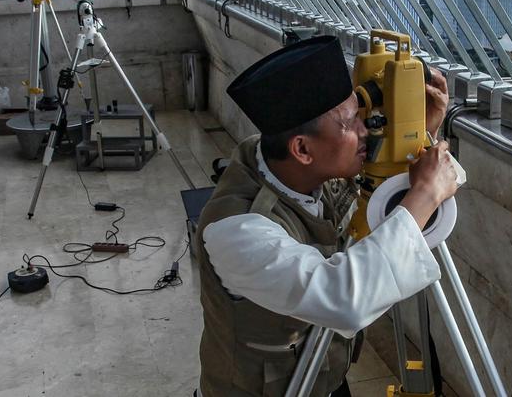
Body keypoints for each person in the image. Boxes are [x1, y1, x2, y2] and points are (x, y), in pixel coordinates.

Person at [193, 35, 458, 397]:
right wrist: (425, 194)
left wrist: (417, 134)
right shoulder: (238, 230)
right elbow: (344, 299)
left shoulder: (292, 166)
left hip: (321, 374)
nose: (366, 129)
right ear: (302, 149)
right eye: (351, 123)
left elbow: (380, 199)